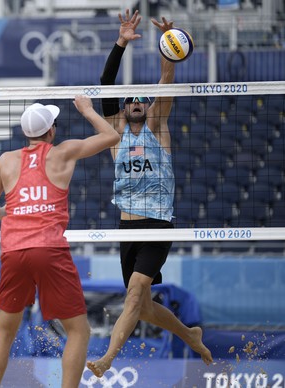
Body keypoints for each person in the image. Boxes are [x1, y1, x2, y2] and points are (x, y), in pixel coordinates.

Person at [85, 10, 213, 377]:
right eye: (132, 100)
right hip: (127, 228)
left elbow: (167, 77)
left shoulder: (157, 126)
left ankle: (108, 357)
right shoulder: (115, 135)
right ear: (125, 108)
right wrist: (121, 41)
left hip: (157, 225)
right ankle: (189, 333)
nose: (138, 101)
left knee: (136, 291)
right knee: (141, 306)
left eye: (143, 98)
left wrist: (167, 45)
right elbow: (106, 82)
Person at [0, 98, 120, 387]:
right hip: (48, 250)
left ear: (25, 133)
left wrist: (9, 211)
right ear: (51, 131)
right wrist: (87, 110)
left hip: (14, 250)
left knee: (4, 332)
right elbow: (112, 137)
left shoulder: (6, 160)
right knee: (79, 332)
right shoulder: (62, 153)